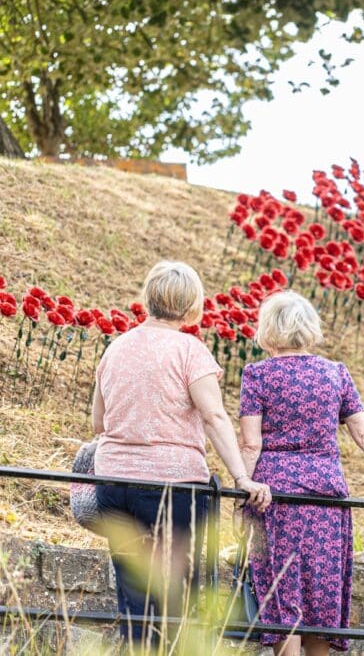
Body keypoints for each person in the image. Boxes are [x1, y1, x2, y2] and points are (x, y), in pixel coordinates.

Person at [91, 261, 272, 647]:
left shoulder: (116, 347)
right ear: (193, 306)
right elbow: (214, 416)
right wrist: (242, 477)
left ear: (148, 298)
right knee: (179, 597)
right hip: (172, 488)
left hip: (113, 482)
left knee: (134, 595)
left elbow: (98, 423)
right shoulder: (190, 350)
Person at [239, 290, 364, 656]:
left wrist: (241, 490)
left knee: (282, 596)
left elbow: (251, 445)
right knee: (320, 596)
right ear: (310, 329)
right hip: (327, 500)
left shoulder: (258, 375)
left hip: (275, 498)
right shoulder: (335, 374)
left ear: (267, 330)